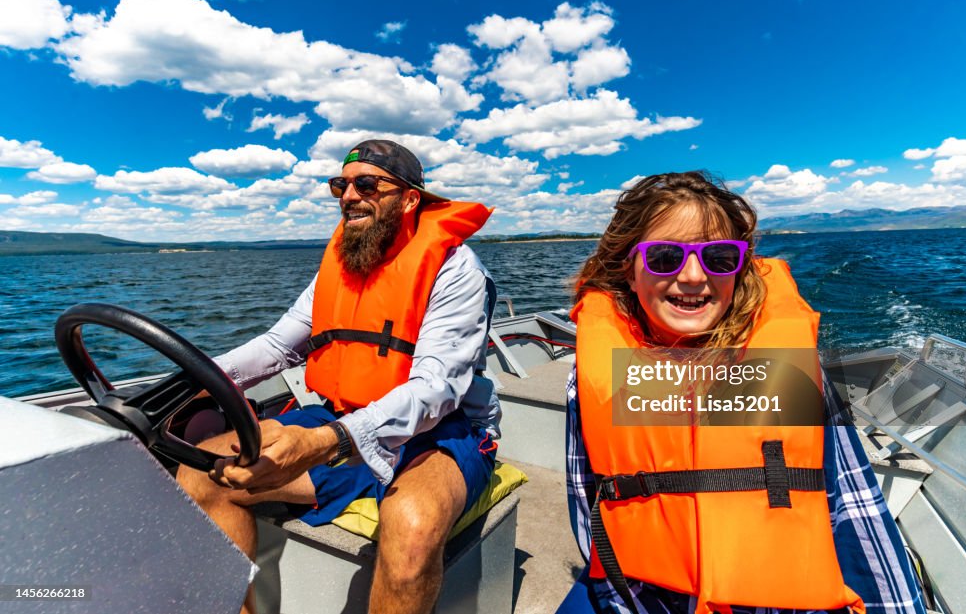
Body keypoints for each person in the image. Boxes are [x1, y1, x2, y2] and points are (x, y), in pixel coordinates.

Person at [557, 171, 926, 614]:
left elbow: (852, 504)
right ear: (629, 272)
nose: (693, 276)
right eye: (664, 257)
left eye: (717, 257)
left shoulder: (781, 371)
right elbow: (589, 504)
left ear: (739, 270)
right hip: (642, 594)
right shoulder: (593, 377)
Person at [177, 139, 501, 614]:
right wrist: (191, 382)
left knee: (412, 526)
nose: (349, 195)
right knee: (202, 473)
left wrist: (324, 442)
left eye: (367, 184)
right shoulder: (339, 267)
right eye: (340, 185)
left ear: (410, 198)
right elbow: (277, 346)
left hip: (445, 433)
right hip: (343, 418)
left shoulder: (457, 270)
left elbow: (436, 389)